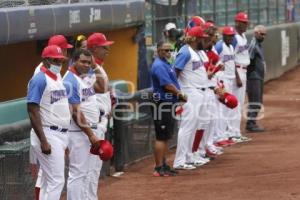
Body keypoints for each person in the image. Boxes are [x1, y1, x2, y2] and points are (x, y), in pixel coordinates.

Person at [27, 45, 70, 200]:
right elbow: (32, 109)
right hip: (47, 133)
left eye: (61, 61)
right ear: (45, 60)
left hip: (59, 135)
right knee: (56, 180)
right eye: (55, 60)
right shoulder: (39, 79)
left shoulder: (56, 78)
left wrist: (65, 141)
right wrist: (44, 140)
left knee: (48, 181)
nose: (59, 63)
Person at [63, 49, 103, 200]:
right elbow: (75, 112)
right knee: (77, 173)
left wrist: (95, 67)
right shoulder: (70, 80)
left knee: (85, 172)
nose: (86, 65)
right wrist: (91, 135)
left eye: (89, 62)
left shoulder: (83, 77)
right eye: (83, 62)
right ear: (74, 61)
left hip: (87, 131)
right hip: (78, 133)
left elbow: (103, 86)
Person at [173, 26, 211, 170]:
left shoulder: (197, 52)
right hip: (189, 93)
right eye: (202, 38)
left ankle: (188, 157)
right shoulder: (185, 52)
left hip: (199, 92)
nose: (204, 40)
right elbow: (175, 72)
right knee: (187, 128)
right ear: (195, 39)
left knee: (194, 127)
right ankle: (179, 161)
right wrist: (178, 94)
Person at [151, 41, 186, 176]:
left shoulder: (166, 63)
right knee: (161, 136)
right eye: (165, 50)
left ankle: (164, 165)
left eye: (170, 50)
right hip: (162, 103)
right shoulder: (159, 65)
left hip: (168, 103)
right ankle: (158, 167)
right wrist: (180, 94)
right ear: (159, 50)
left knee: (165, 137)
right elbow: (167, 85)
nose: (168, 53)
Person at [86, 32, 114, 198]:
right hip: (93, 123)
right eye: (104, 47)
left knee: (94, 169)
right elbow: (88, 96)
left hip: (100, 122)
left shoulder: (98, 66)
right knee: (89, 169)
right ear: (95, 48)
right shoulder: (89, 68)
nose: (108, 49)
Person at [231, 12, 252, 142]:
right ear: (237, 23)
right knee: (235, 104)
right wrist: (237, 76)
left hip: (243, 71)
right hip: (237, 72)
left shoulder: (243, 36)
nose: (246, 25)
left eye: (246, 22)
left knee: (240, 104)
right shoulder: (233, 38)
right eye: (243, 22)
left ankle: (236, 132)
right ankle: (232, 133)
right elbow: (230, 58)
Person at [246, 25, 267, 132]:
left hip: (258, 77)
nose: (263, 36)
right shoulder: (253, 45)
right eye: (262, 34)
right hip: (253, 77)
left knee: (258, 101)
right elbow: (247, 60)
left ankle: (252, 122)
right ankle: (250, 123)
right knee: (255, 101)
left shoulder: (258, 45)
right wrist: (250, 74)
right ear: (256, 33)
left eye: (264, 34)